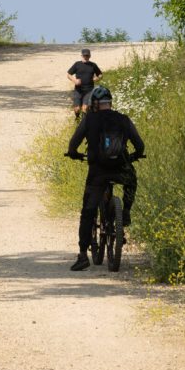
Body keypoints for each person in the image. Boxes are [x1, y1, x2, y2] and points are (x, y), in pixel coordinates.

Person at [64, 83, 143, 270]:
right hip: (121, 168)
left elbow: (73, 144)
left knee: (88, 212)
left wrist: (74, 154)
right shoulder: (123, 119)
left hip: (98, 172)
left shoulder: (89, 119)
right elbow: (140, 146)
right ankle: (125, 213)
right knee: (131, 181)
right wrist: (134, 156)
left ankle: (83, 255)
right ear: (110, 103)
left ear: (95, 103)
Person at [66, 48, 102, 119]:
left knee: (85, 108)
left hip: (89, 90)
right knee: (77, 109)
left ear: (90, 56)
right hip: (78, 90)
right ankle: (77, 118)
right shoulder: (77, 64)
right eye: (84, 55)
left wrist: (97, 78)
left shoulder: (93, 65)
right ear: (81, 55)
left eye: (87, 56)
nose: (86, 57)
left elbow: (100, 74)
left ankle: (84, 122)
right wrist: (74, 80)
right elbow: (68, 74)